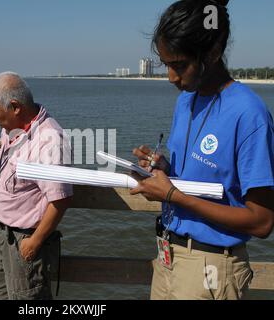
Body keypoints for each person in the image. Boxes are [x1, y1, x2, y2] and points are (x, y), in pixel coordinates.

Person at [130, 0, 274, 300]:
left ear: (213, 53)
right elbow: (202, 176)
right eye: (166, 65)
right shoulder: (187, 100)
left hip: (212, 265)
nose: (171, 77)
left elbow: (262, 222)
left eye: (179, 65)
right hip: (168, 256)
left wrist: (172, 195)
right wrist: (164, 169)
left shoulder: (249, 114)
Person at [0, 71, 73, 300]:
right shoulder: (11, 128)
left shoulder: (50, 140)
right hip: (1, 233)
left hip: (25, 240)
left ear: (14, 106)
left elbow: (61, 200)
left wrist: (35, 242)